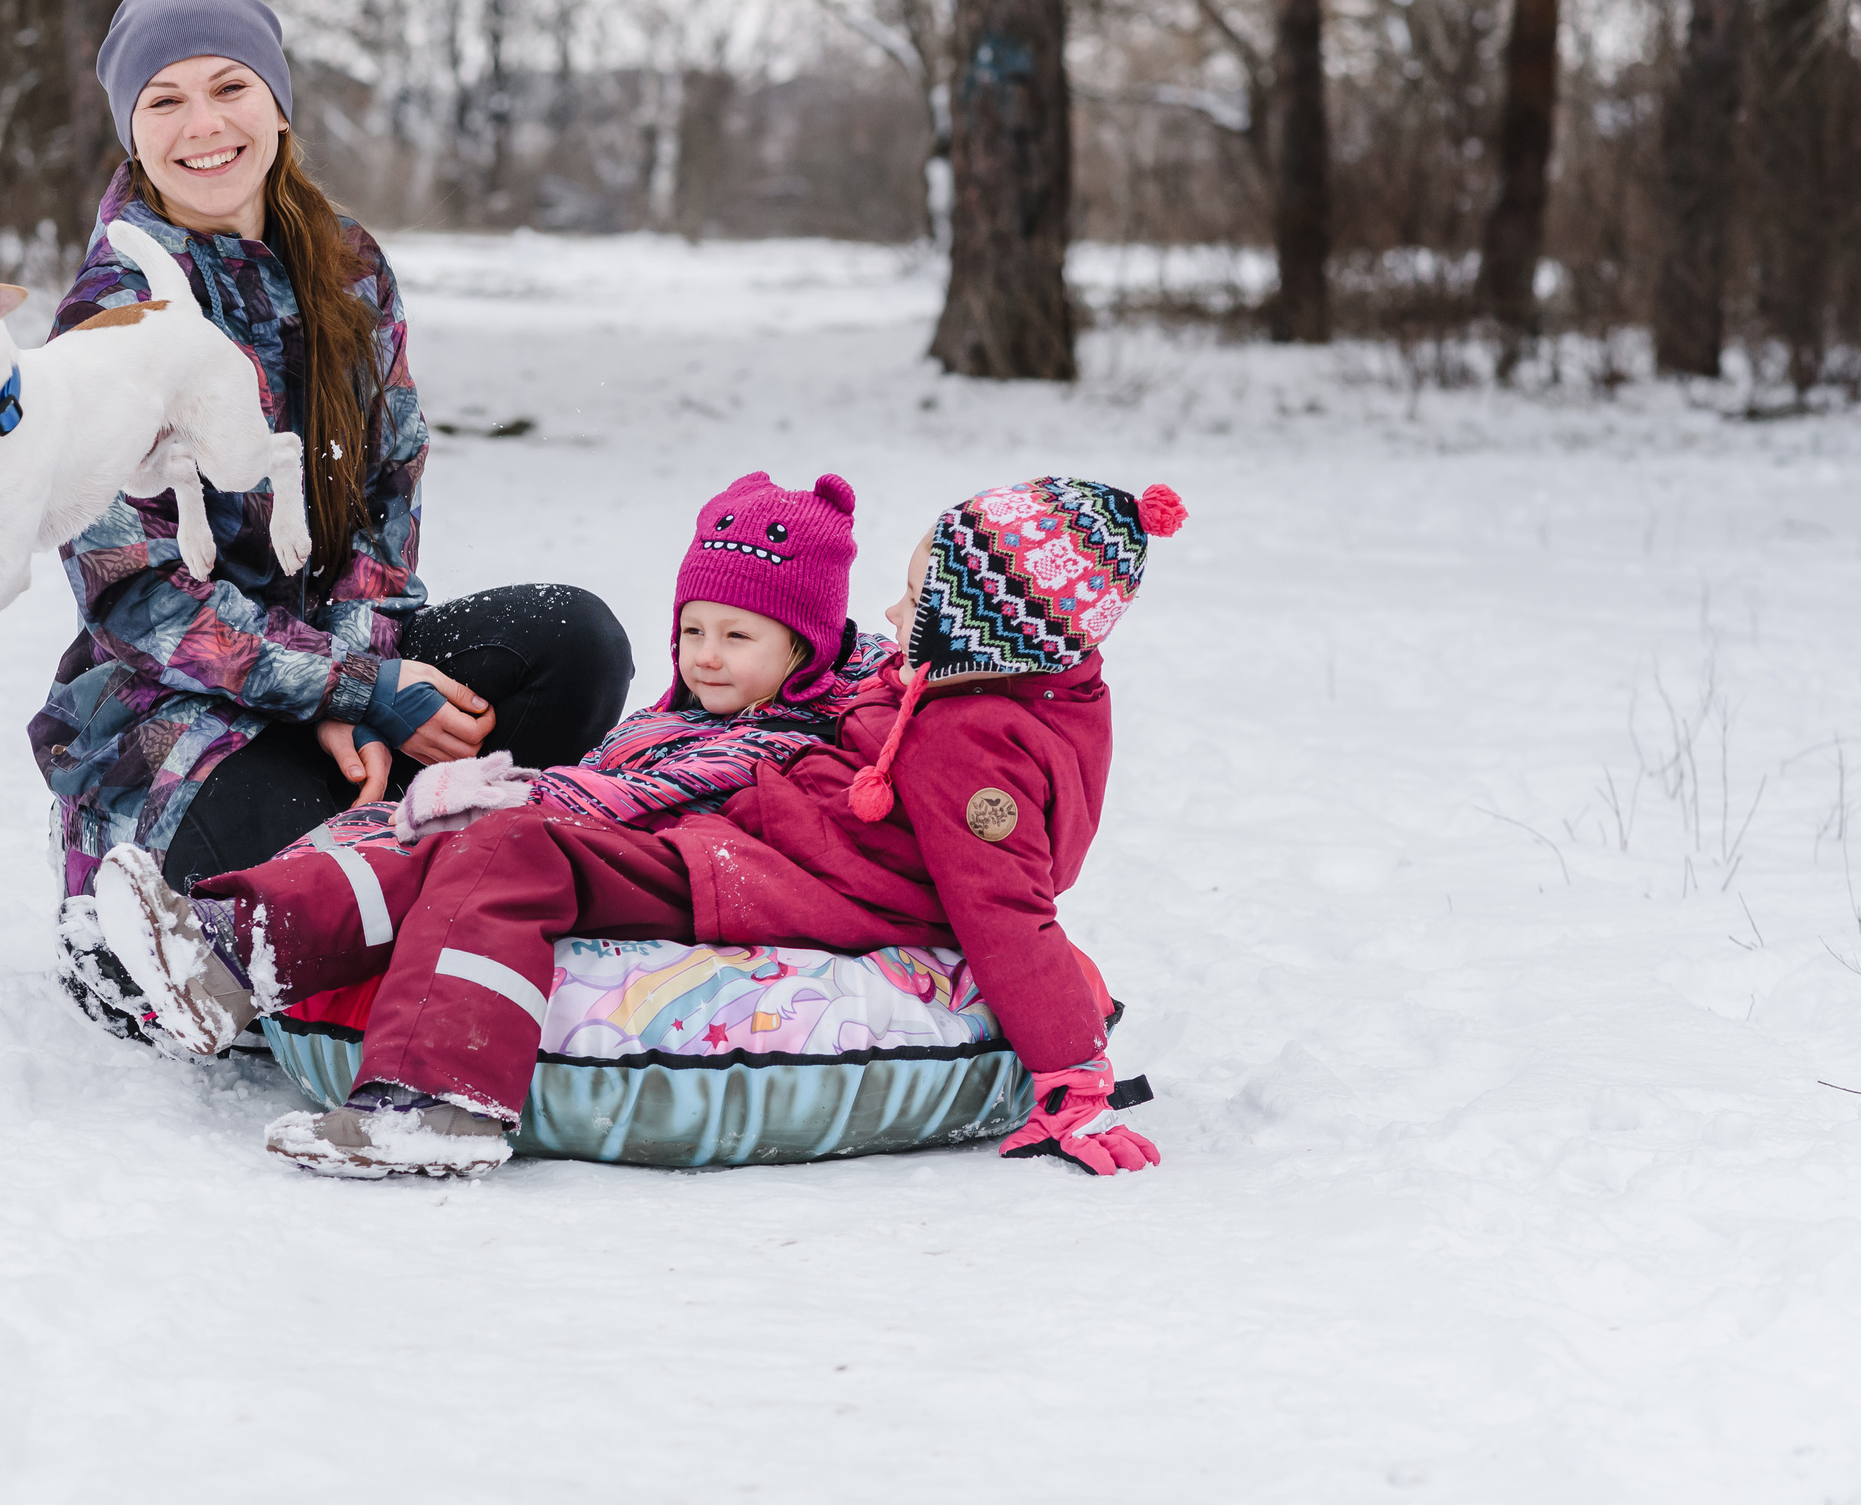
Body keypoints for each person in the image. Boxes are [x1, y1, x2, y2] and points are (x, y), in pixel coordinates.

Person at [106, 475, 1182, 1181]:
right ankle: (233, 951)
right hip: (730, 848)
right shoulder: (949, 687)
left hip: (756, 881)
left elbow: (1007, 907)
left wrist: (1073, 1071)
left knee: (504, 846)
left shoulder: (974, 743)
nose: (890, 622)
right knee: (474, 835)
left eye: (915, 599)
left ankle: (437, 1100)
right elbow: (824, 660)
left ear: (979, 622)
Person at [33, 0, 632, 1039]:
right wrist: (346, 689)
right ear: (132, 129)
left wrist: (363, 677)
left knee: (572, 640)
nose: (204, 124)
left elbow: (385, 500)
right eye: (164, 100)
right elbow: (137, 605)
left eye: (229, 87)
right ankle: (142, 927)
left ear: (277, 101)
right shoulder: (110, 319)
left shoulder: (349, 266)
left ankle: (412, 889)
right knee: (294, 833)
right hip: (174, 714)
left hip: (344, 666)